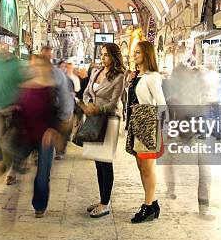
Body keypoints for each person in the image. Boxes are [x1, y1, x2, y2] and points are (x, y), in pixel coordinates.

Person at [81, 43, 125, 218]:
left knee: (106, 163)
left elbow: (114, 102)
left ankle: (105, 203)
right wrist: (87, 105)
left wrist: (98, 109)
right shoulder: (96, 72)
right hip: (93, 120)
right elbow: (86, 92)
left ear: (114, 57)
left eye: (106, 55)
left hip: (107, 120)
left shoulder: (119, 76)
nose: (103, 57)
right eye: (102, 54)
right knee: (98, 163)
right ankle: (101, 200)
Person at [14, 55, 60, 218]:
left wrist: (52, 130)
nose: (36, 68)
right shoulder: (25, 87)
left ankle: (39, 205)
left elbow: (56, 111)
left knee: (42, 175)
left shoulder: (52, 88)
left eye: (40, 65)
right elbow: (19, 110)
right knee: (14, 162)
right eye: (34, 65)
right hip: (26, 134)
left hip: (45, 137)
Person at [125, 41, 166, 223]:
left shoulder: (152, 77)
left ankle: (148, 206)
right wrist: (130, 81)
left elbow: (162, 103)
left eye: (138, 52)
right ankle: (153, 202)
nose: (134, 55)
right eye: (134, 52)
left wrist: (161, 127)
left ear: (147, 55)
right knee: (141, 167)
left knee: (148, 169)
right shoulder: (137, 76)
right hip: (136, 125)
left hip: (149, 125)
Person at [0, 43, 25, 185]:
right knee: (2, 139)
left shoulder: (17, 64)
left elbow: (23, 85)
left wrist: (19, 103)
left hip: (13, 108)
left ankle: (12, 170)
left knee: (10, 141)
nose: (3, 49)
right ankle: (8, 162)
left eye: (5, 47)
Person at [40, 47, 74, 160]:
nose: (46, 58)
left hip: (53, 115)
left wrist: (65, 115)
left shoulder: (57, 74)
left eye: (48, 56)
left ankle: (57, 153)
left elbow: (64, 96)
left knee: (47, 147)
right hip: (39, 116)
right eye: (44, 56)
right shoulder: (36, 72)